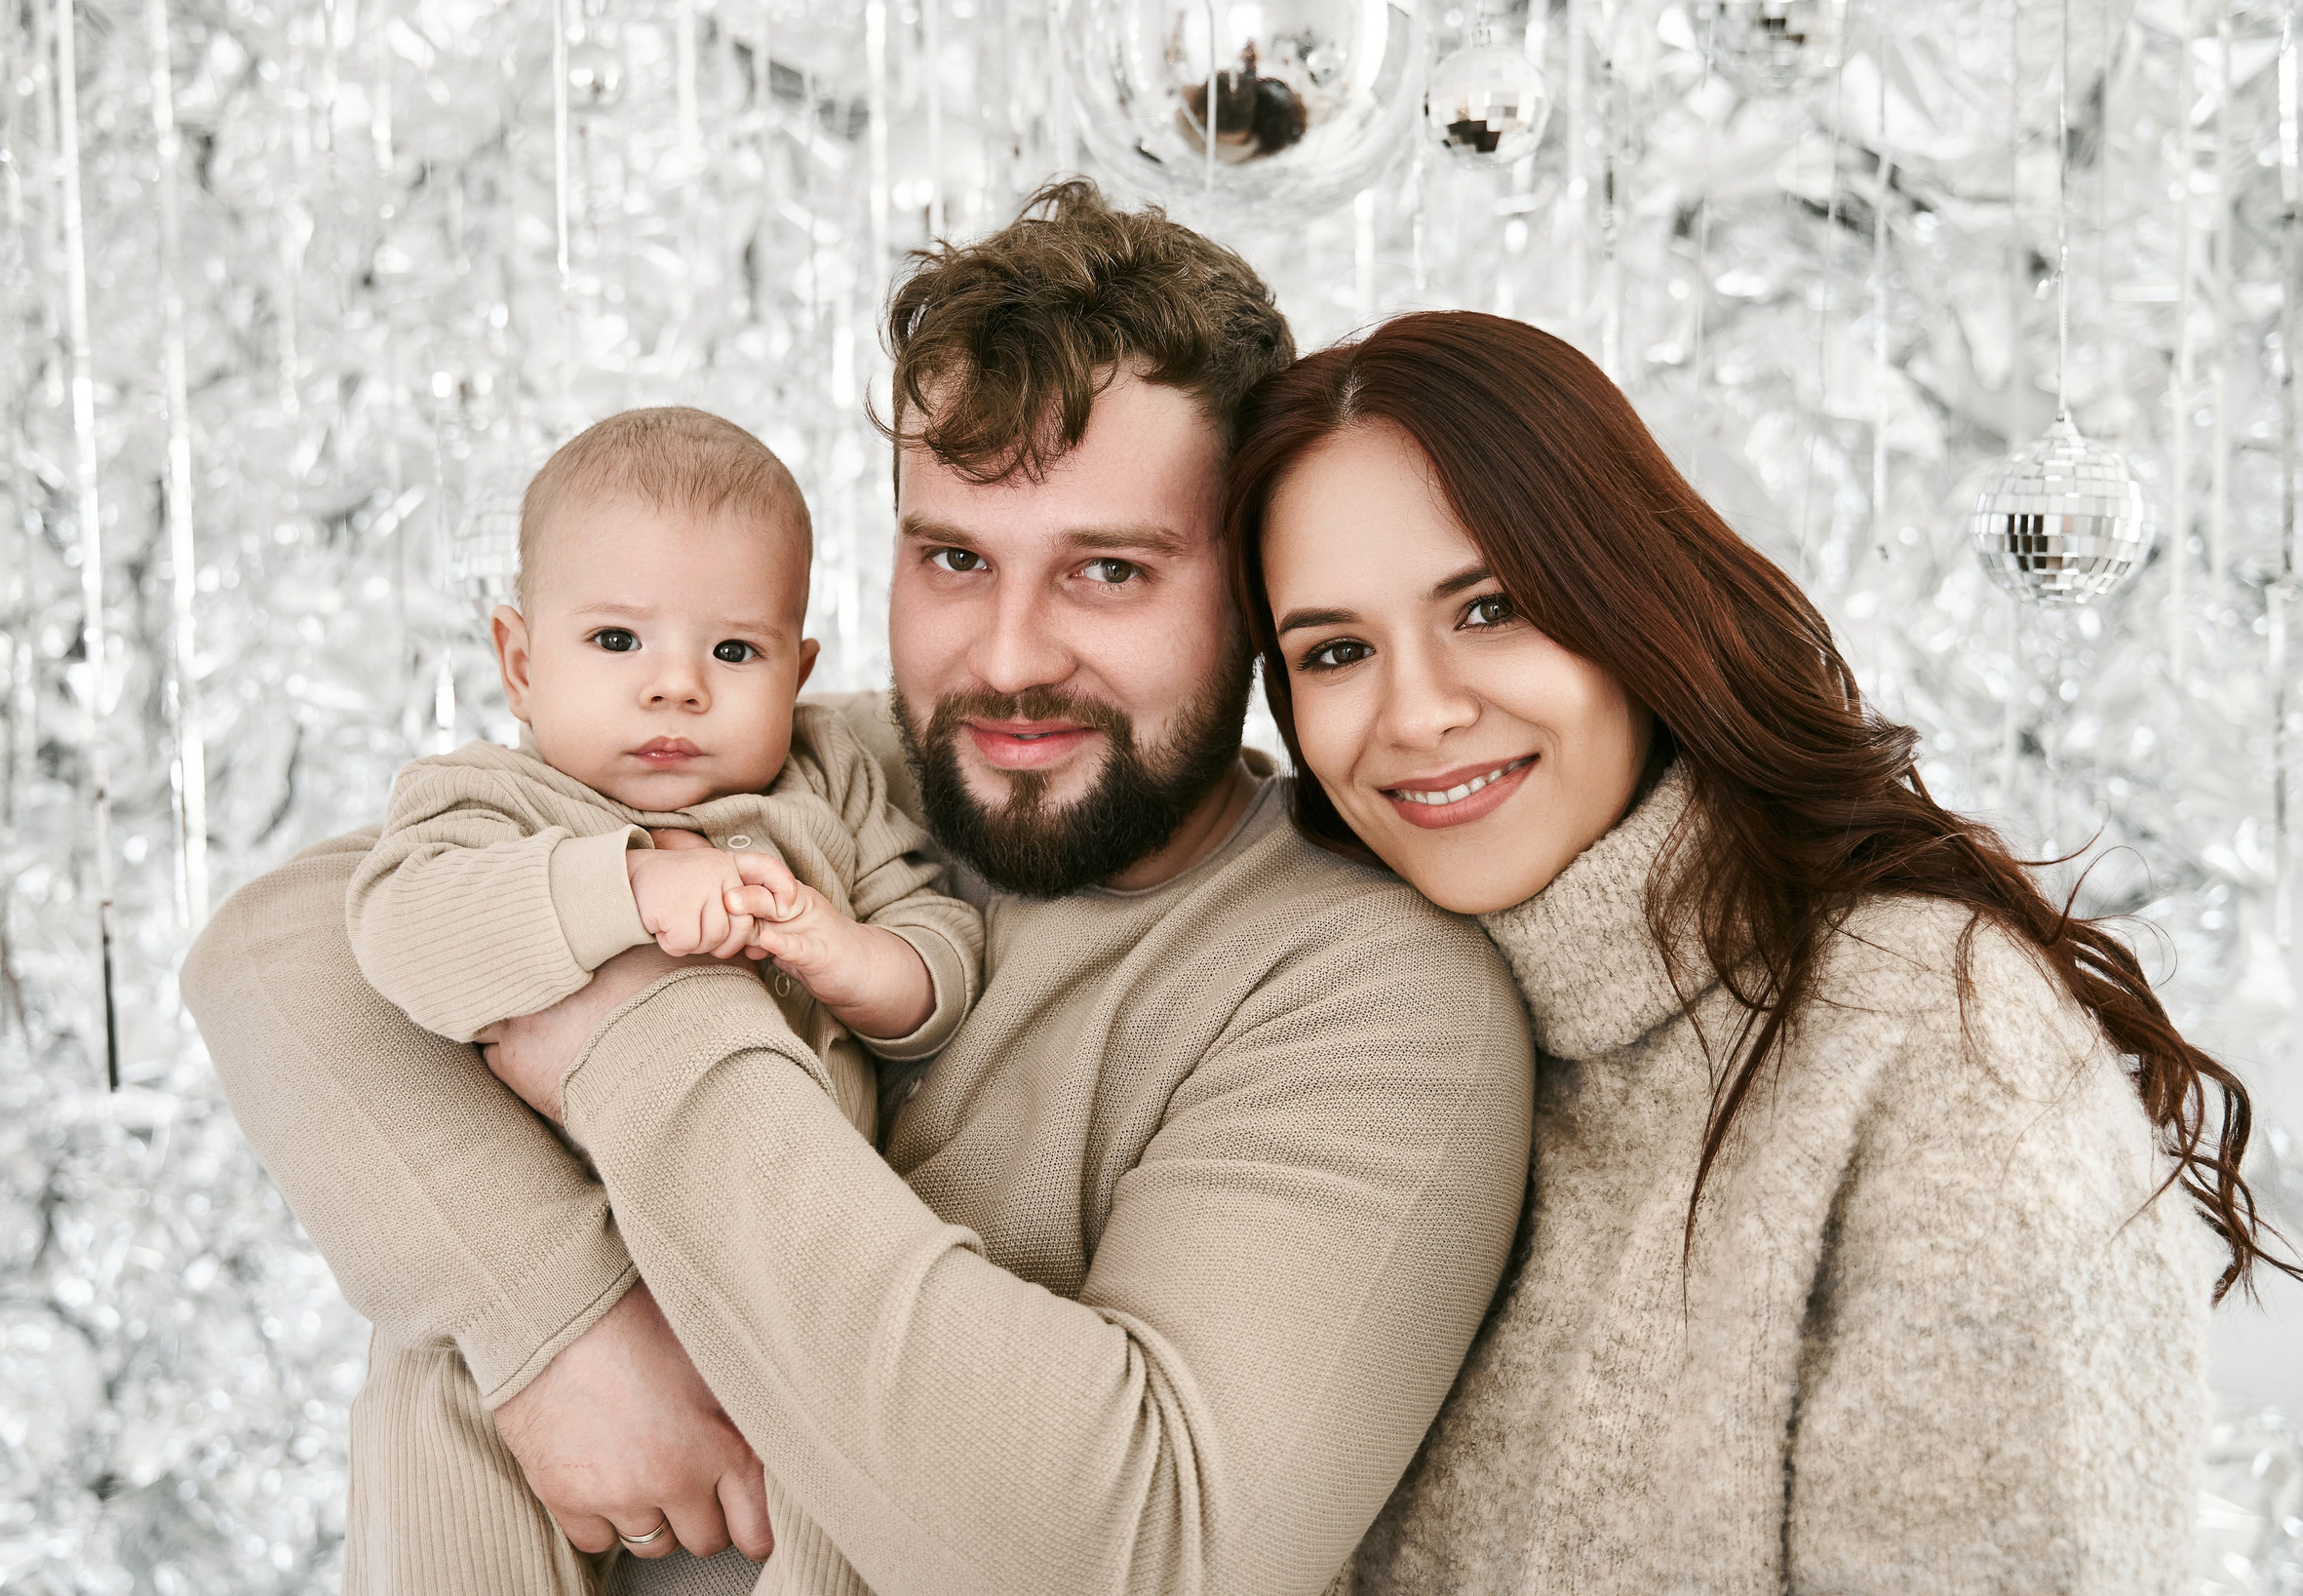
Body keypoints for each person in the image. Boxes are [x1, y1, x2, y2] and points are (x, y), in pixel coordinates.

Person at [179, 181, 1535, 1596]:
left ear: (1251, 592)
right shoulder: (826, 765)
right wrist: (566, 1323)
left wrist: (630, 1027)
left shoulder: (1370, 992)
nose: (1009, 658)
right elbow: (286, 945)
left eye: (1109, 570)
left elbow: (1140, 1553)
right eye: (955, 558)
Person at [1223, 309, 2297, 1593]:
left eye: (1491, 607)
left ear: (1630, 601)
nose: (1417, 713)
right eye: (1336, 651)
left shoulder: (1935, 1041)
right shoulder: (1352, 1037)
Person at [346, 407, 983, 1146]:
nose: (677, 686)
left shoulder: (827, 775)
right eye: (618, 639)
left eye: (734, 651)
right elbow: (400, 929)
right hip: (605, 1199)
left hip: (819, 1203)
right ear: (521, 666)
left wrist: (850, 957)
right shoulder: (491, 798)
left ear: (795, 679)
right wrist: (631, 885)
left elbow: (941, 943)